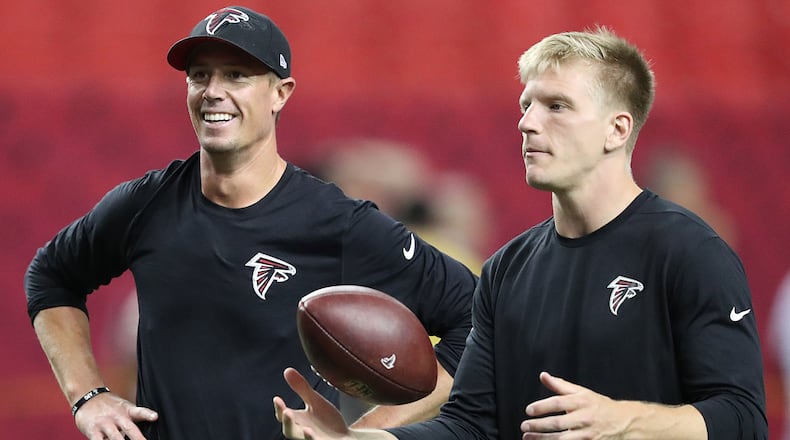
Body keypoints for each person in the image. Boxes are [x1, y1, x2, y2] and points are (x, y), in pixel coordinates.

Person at [274, 26, 768, 439]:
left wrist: (625, 420)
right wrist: (357, 438)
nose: (528, 123)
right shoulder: (508, 269)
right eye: (526, 104)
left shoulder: (690, 250)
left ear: (617, 130)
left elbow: (743, 418)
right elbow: (470, 424)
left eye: (556, 106)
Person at [24, 6, 478, 440]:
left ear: (281, 93)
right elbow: (52, 275)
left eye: (237, 75)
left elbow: (475, 318)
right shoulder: (145, 204)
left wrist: (362, 434)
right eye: (200, 75)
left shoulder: (337, 222)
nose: (213, 90)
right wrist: (88, 395)